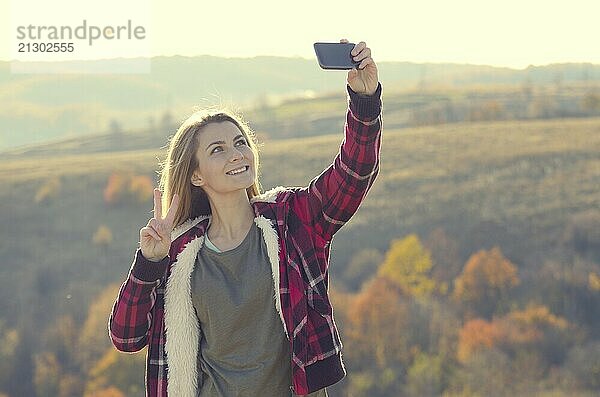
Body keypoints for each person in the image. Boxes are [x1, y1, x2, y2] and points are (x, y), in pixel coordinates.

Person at [108, 39, 382, 397]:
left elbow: (354, 173)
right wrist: (149, 262)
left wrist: (364, 100)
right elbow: (126, 337)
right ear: (196, 176)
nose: (236, 155)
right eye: (217, 150)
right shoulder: (180, 255)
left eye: (240, 143)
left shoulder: (290, 221)